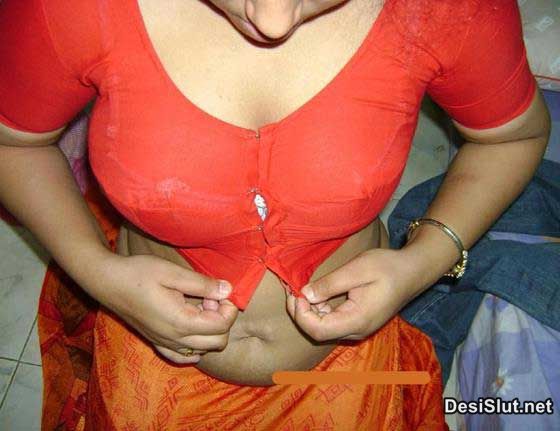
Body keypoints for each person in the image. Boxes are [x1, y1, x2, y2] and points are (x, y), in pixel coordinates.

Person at [0, 0, 550, 429]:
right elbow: (13, 144)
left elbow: (512, 138)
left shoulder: (452, 9)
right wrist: (97, 272)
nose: (272, 22)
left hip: (348, 381)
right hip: (152, 384)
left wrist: (423, 262)